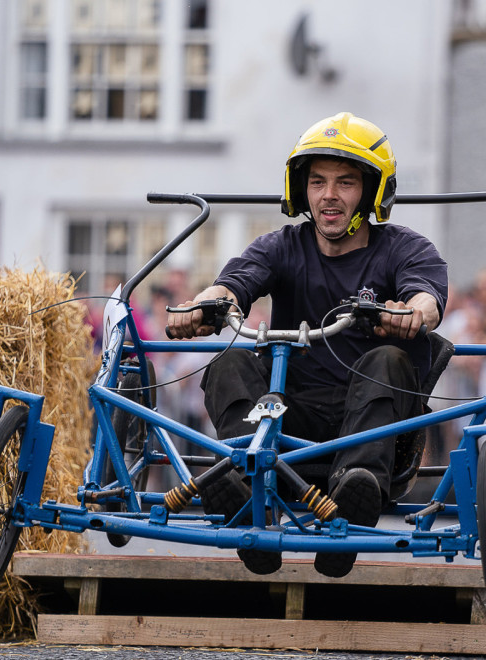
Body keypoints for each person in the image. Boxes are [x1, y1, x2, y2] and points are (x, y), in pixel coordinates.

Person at [165, 112, 448, 578]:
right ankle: (247, 486)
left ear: (373, 191)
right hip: (287, 419)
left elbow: (427, 297)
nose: (328, 196)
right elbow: (233, 283)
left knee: (390, 358)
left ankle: (354, 499)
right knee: (232, 360)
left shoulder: (405, 249)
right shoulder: (282, 246)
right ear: (301, 189)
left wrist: (413, 313)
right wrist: (201, 306)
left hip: (366, 432)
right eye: (317, 182)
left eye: (345, 183)